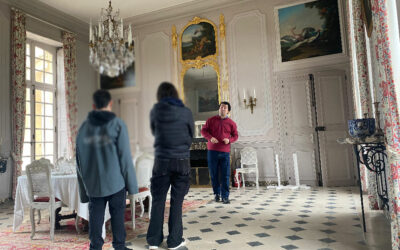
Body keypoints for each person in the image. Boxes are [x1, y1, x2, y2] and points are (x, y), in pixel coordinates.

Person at [76, 89, 138, 250]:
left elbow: (79, 162)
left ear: (93, 105)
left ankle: (95, 246)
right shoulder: (117, 124)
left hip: (94, 185)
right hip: (116, 182)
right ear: (110, 104)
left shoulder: (83, 128)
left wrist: (84, 192)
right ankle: (119, 246)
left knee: (96, 217)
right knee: (117, 216)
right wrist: (132, 187)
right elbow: (125, 158)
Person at [147, 82, 194, 250]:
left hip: (161, 161)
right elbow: (191, 136)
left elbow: (154, 132)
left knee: (158, 200)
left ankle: (154, 241)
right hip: (181, 160)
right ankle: (174, 241)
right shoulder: (186, 112)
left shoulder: (155, 111)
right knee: (176, 201)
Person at [201, 102, 238, 204]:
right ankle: (216, 194)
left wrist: (229, 140)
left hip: (225, 152)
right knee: (214, 174)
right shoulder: (210, 120)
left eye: (225, 108)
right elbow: (203, 131)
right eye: (221, 107)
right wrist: (210, 138)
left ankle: (225, 196)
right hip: (212, 151)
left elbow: (235, 136)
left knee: (225, 175)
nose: (222, 109)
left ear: (228, 111)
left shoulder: (231, 123)